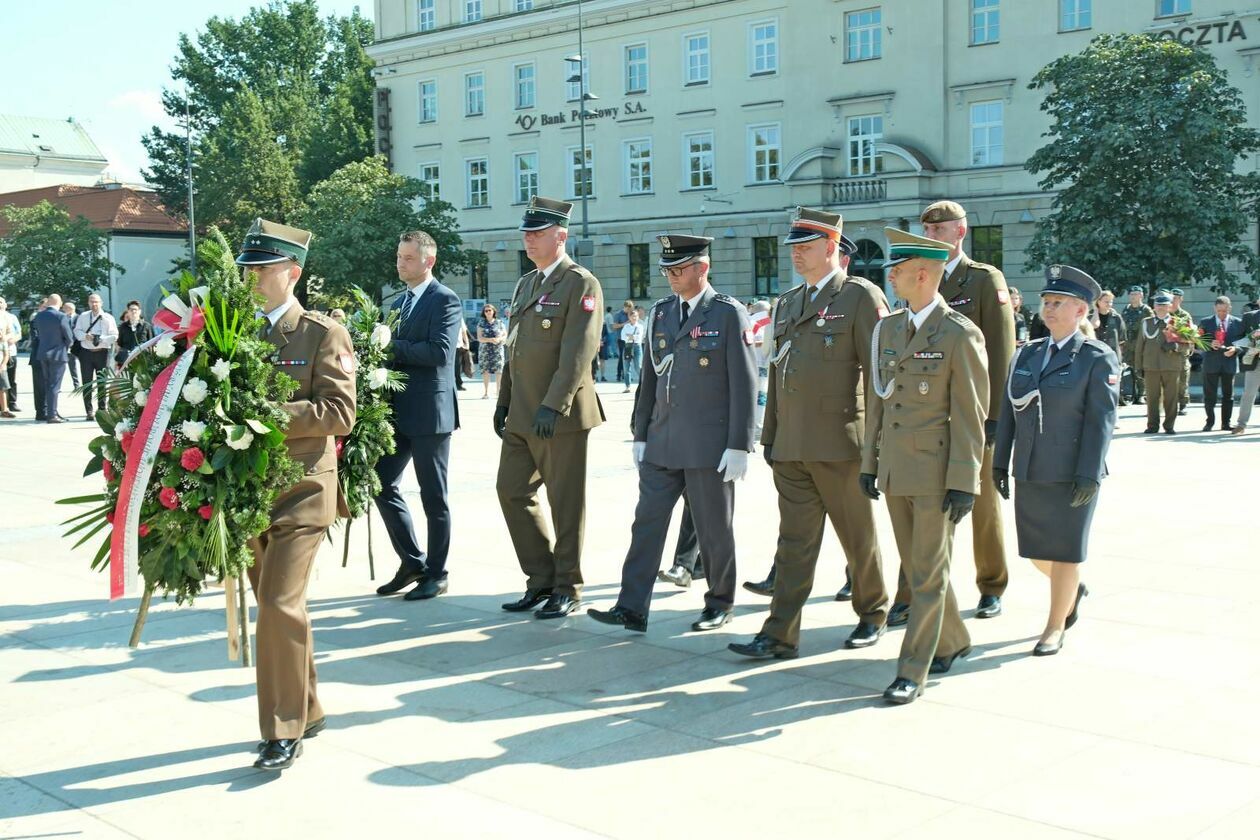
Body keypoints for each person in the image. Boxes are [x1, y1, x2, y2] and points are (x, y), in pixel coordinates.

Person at [729, 208, 890, 661]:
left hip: (841, 444)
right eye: (794, 248)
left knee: (857, 538)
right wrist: (773, 439)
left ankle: (873, 612)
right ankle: (780, 633)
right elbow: (779, 374)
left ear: (832, 248)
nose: (797, 255)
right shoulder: (789, 301)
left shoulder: (860, 297)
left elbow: (879, 377)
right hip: (793, 447)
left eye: (806, 247)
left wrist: (876, 449)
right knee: (794, 543)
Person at [588, 234, 756, 633]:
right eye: (667, 270)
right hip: (662, 440)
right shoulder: (662, 313)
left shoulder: (727, 313)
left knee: (714, 528)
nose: (671, 278)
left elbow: (745, 383)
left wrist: (739, 445)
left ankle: (719, 602)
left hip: (708, 444)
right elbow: (650, 377)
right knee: (646, 523)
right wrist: (640, 431)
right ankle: (631, 606)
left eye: (678, 270)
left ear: (703, 268)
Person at [237, 218, 356, 771]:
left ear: (293, 272)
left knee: (280, 605)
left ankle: (281, 729)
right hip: (249, 494)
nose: (252, 276)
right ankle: (307, 706)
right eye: (248, 267)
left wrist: (267, 417)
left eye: (262, 268)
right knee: (277, 608)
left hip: (306, 489)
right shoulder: (231, 332)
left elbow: (341, 413)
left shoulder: (321, 332)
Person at [859, 227, 988, 705]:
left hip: (936, 473)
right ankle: (953, 641)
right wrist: (870, 461)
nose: (889, 276)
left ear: (921, 274)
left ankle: (913, 669)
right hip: (895, 468)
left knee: (926, 575)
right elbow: (879, 399)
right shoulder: (889, 328)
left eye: (896, 270)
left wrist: (964, 479)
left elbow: (971, 413)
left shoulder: (958, 332)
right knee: (917, 567)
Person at [893, 199, 1012, 626]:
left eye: (938, 231)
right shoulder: (917, 275)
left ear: (959, 233)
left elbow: (999, 353)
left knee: (979, 505)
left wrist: (994, 418)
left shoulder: (981, 280)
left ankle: (991, 584)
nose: (930, 237)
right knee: (915, 511)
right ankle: (910, 594)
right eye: (926, 230)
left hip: (969, 417)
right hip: (922, 417)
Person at [994, 265, 1118, 656]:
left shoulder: (1097, 358)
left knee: (1065, 552)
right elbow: (1009, 411)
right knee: (1034, 551)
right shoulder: (1027, 354)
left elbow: (1102, 423)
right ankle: (1072, 588)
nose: (1047, 309)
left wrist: (1089, 473)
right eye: (1046, 302)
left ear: (1081, 311)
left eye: (1057, 303)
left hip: (1071, 474)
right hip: (1030, 467)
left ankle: (1054, 626)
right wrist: (999, 461)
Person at [495, 196, 604, 620]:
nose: (529, 240)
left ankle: (568, 585)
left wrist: (552, 405)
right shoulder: (528, 284)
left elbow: (579, 351)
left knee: (565, 501)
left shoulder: (580, 283)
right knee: (511, 490)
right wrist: (504, 401)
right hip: (523, 413)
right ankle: (540, 577)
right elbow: (514, 350)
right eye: (526, 233)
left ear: (560, 236)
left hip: (560, 415)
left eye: (537, 233)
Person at [373, 230, 463, 602]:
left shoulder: (445, 300)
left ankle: (437, 573)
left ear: (429, 261)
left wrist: (390, 345)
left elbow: (440, 352)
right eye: (398, 257)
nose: (400, 264)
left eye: (408, 258)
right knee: (380, 482)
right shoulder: (398, 302)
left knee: (433, 497)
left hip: (430, 413)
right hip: (398, 410)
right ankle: (412, 560)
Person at [1134, 292, 1192, 434]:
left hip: (1171, 366)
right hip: (1151, 366)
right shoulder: (1146, 323)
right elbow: (1139, 346)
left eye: (1164, 305)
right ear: (1154, 306)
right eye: (1158, 305)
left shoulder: (1178, 323)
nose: (1160, 308)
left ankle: (1169, 426)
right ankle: (1152, 425)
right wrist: (1138, 366)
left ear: (1170, 307)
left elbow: (1188, 346)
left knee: (1171, 397)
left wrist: (1175, 346)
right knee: (1152, 398)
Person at [1197, 296, 1245, 432]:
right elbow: (1198, 342)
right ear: (1214, 308)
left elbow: (1245, 343)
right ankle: (1209, 422)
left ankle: (1226, 423)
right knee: (1209, 395)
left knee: (1228, 396)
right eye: (1219, 311)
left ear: (1230, 308)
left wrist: (1236, 349)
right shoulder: (1205, 322)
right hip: (1211, 363)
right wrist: (1209, 343)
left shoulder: (1238, 323)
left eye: (1224, 311)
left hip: (1229, 364)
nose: (1222, 314)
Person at [72, 293, 118, 420]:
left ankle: (102, 409)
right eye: (92, 301)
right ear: (88, 303)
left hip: (102, 352)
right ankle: (89, 411)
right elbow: (76, 331)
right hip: (86, 352)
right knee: (87, 383)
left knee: (102, 382)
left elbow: (114, 335)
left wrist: (101, 338)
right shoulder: (83, 316)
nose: (94, 304)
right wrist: (85, 336)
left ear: (101, 303)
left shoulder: (108, 317)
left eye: (96, 301)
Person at [31, 294, 74, 423]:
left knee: (48, 384)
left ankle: (52, 412)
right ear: (59, 303)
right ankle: (52, 414)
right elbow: (69, 337)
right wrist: (67, 345)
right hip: (58, 354)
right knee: (54, 385)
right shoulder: (61, 316)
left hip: (43, 353)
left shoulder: (39, 316)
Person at [1120, 287, 1153, 406]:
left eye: (1136, 294)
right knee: (1129, 369)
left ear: (1141, 296)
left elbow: (1151, 327)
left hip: (1141, 344)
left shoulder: (1146, 310)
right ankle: (1131, 393)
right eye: (1131, 294)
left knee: (1140, 368)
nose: (1133, 296)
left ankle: (1141, 395)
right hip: (1128, 344)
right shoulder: (1126, 309)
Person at [1232, 305, 1260, 436]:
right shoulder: (1249, 317)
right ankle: (1241, 424)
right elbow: (1239, 338)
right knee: (1248, 393)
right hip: (1254, 360)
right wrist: (1252, 338)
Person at [1170, 289, 1194, 414]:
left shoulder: (1185, 315)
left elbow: (1190, 334)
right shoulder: (1165, 313)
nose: (1173, 300)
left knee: (1182, 380)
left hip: (1181, 352)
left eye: (1176, 298)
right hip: (1166, 352)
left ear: (1181, 299)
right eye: (1172, 297)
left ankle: (1183, 403)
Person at [477, 303, 505, 398]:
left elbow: (505, 334)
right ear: (484, 313)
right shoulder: (481, 323)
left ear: (494, 311)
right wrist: (491, 340)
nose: (488, 312)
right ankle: (486, 392)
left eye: (490, 310)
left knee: (499, 371)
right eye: (486, 311)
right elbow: (479, 338)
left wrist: (499, 339)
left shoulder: (499, 322)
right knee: (485, 371)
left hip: (497, 350)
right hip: (485, 350)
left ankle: (498, 392)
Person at [115, 300, 153, 368]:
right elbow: (119, 344)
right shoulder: (122, 327)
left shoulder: (146, 326)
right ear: (128, 311)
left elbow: (151, 344)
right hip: (127, 362)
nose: (133, 311)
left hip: (143, 361)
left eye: (135, 309)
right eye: (131, 309)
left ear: (139, 311)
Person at [0, 297, 20, 412]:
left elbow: (18, 334)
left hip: (9, 352)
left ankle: (11, 402)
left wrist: (8, 339)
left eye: (1, 302)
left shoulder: (12, 317)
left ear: (6, 304)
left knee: (11, 379)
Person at [619, 308, 644, 392]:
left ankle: (643, 384)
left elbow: (639, 337)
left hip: (637, 347)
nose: (634, 318)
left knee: (638, 366)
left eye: (636, 316)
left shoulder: (640, 326)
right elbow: (623, 337)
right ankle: (627, 386)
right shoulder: (626, 326)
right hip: (628, 347)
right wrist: (631, 336)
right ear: (629, 317)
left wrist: (630, 336)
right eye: (633, 316)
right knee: (626, 367)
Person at [1092, 291, 1123, 357]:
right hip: (1095, 355)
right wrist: (1095, 311)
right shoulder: (1090, 317)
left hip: (1112, 355)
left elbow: (1121, 339)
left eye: (1111, 302)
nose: (1109, 304)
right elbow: (1093, 325)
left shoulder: (1116, 318)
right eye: (1106, 302)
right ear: (1098, 302)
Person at [60, 301, 82, 391]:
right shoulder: (63, 318)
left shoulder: (80, 318)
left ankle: (85, 384)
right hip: (67, 346)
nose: (63, 310)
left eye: (64, 308)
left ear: (70, 309)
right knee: (71, 366)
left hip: (78, 345)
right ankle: (76, 385)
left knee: (84, 366)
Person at [613, 300, 633, 381]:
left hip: (629, 339)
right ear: (625, 307)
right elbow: (614, 326)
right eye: (628, 309)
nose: (629, 311)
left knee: (628, 357)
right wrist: (625, 323)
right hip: (620, 339)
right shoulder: (618, 314)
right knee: (621, 357)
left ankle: (626, 375)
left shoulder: (630, 314)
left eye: (630, 309)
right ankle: (618, 374)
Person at [454, 318, 471, 391]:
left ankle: (458, 384)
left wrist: (467, 344)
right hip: (448, 345)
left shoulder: (459, 317)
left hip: (458, 346)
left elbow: (464, 331)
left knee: (457, 367)